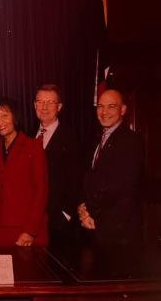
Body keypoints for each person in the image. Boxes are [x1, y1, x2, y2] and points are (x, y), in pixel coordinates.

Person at [78, 89, 144, 247]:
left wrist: (88, 208)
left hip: (119, 233)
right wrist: (81, 205)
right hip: (96, 227)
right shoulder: (96, 141)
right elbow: (89, 179)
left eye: (111, 106)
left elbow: (118, 184)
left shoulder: (131, 141)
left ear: (123, 109)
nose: (104, 112)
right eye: (100, 106)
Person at [0, 97, 48, 247]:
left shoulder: (34, 146)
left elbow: (40, 191)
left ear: (15, 117)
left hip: (28, 231)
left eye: (4, 116)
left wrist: (30, 231)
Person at [32, 84, 84, 246]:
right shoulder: (28, 137)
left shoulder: (70, 139)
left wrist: (66, 215)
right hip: (31, 220)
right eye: (41, 102)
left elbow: (77, 182)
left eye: (50, 102)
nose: (44, 107)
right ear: (35, 105)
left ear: (59, 106)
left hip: (58, 223)